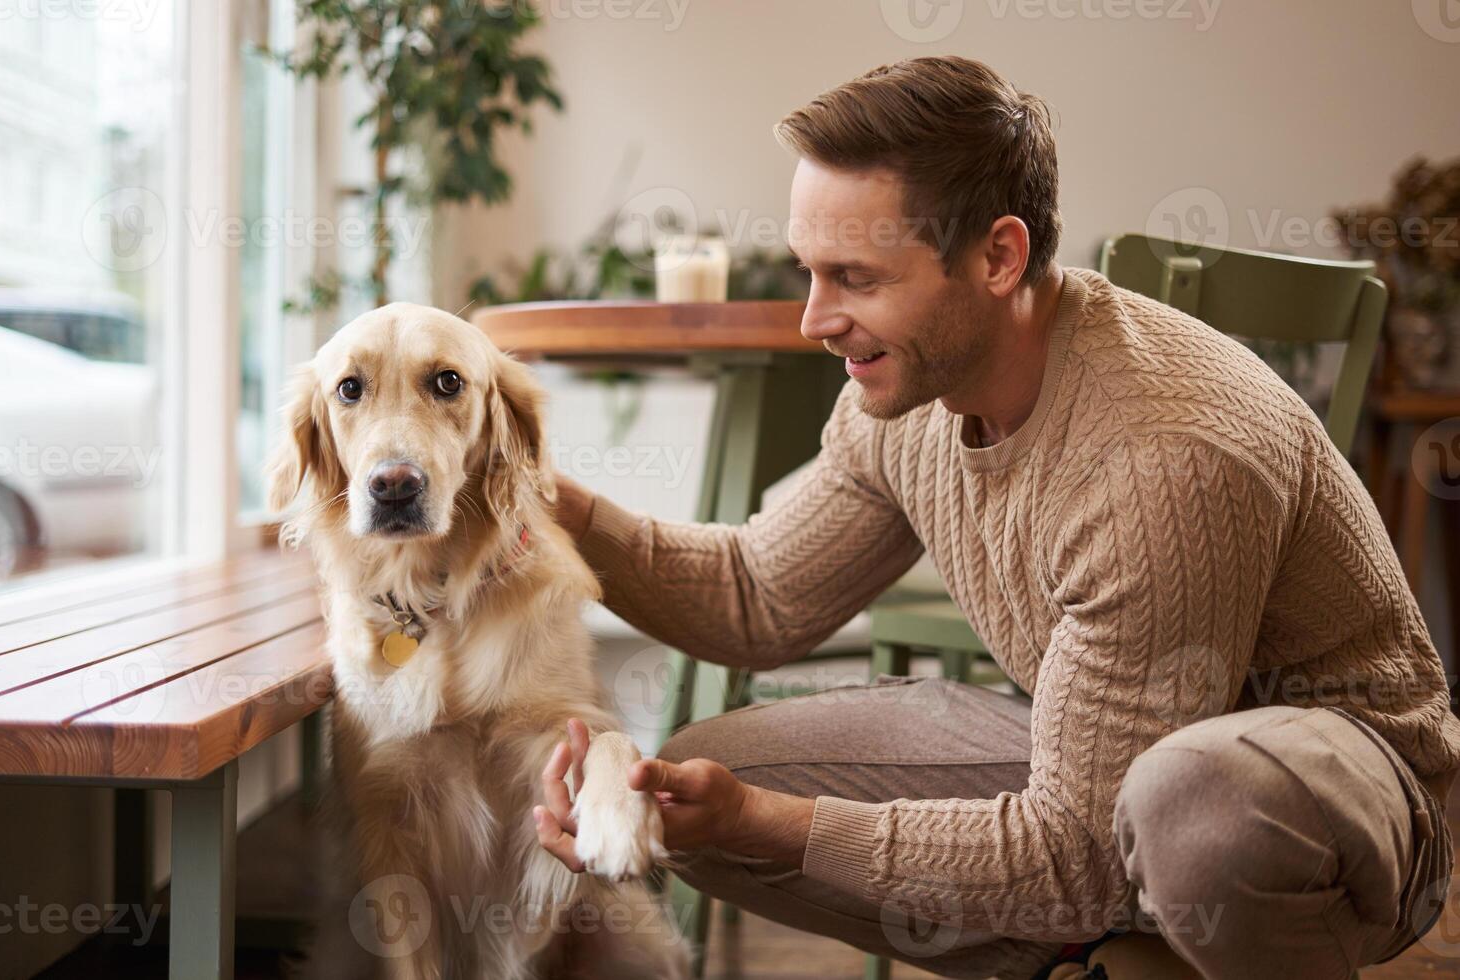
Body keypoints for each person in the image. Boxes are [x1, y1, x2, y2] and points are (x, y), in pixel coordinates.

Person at [532, 55, 1459, 979]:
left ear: (999, 257)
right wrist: (557, 510)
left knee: (1188, 806)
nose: (815, 318)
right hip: (1113, 783)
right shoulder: (903, 397)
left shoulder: (1161, 455)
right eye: (811, 272)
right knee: (683, 784)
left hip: (1339, 815)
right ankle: (1107, 960)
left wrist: (762, 825)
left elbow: (1078, 852)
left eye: (854, 277)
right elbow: (754, 596)